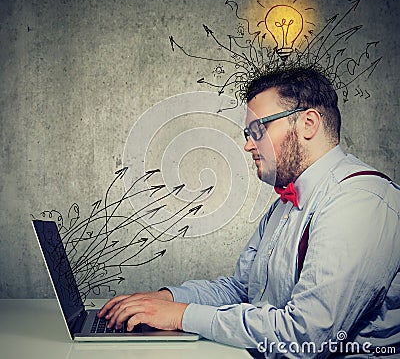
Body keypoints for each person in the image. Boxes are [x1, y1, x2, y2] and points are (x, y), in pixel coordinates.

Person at [98, 68, 400, 358]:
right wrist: (166, 299)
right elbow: (242, 290)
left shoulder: (359, 202)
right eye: (248, 132)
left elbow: (305, 337)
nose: (247, 144)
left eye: (259, 129)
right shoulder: (285, 204)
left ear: (308, 124)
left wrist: (181, 316)